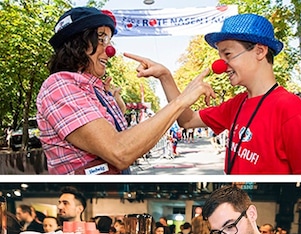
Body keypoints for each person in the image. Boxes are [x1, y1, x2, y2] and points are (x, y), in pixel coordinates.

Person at [126, 13, 301, 175]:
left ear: (259, 51)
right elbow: (187, 121)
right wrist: (165, 77)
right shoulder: (237, 103)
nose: (219, 65)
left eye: (228, 54)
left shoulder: (290, 108)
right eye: (220, 56)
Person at [36, 6, 214, 175]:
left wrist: (164, 76)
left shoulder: (93, 87)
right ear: (78, 42)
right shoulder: (60, 85)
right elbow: (119, 151)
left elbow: (110, 132)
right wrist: (182, 100)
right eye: (101, 38)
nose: (110, 49)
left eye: (109, 40)